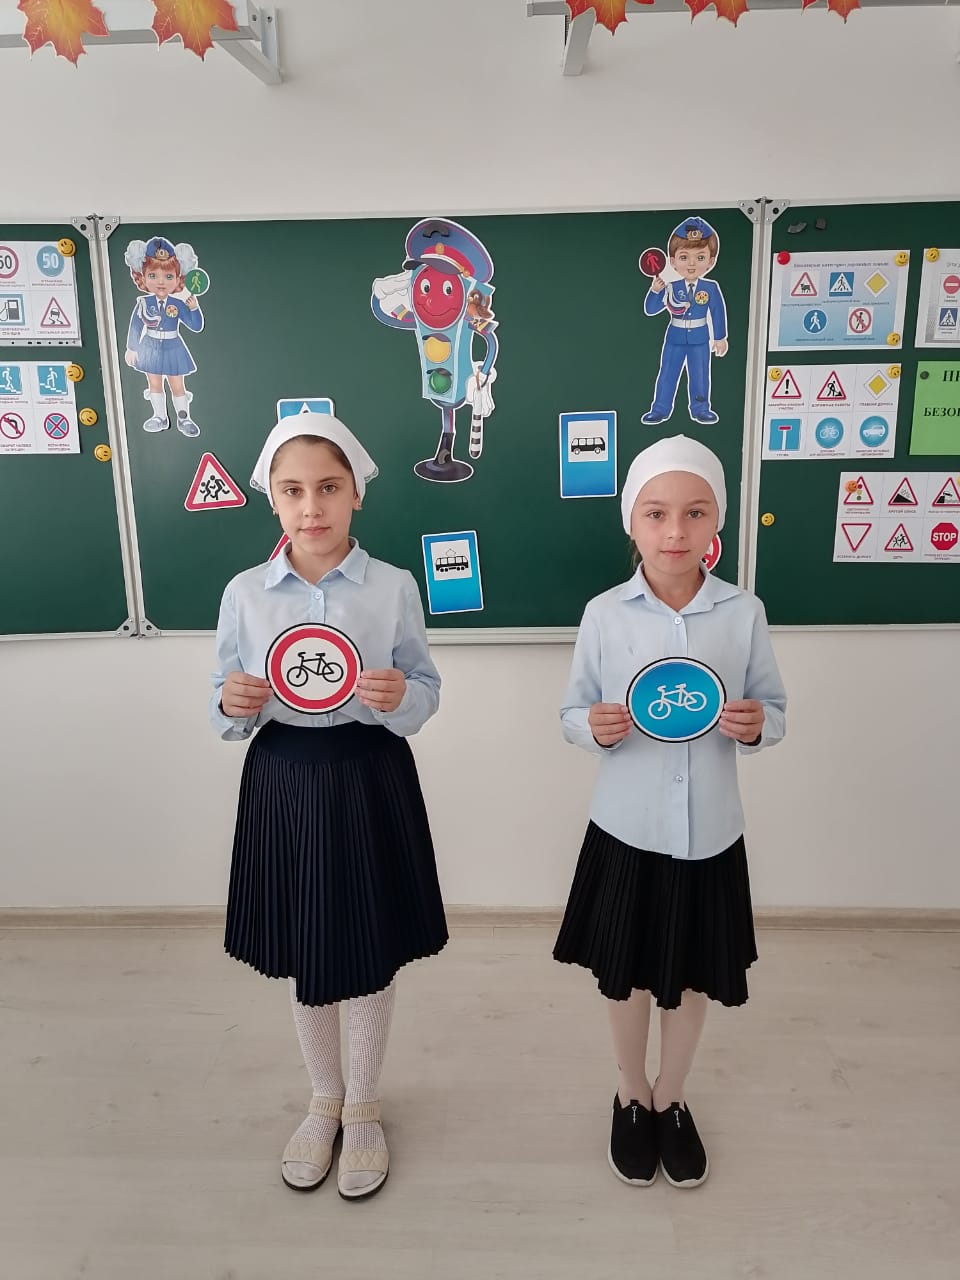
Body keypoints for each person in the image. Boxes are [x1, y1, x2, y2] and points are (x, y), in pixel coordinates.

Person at [210, 412, 447, 1200]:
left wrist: (400, 695)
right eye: (293, 491)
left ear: (356, 495)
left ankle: (366, 1105)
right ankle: (324, 1100)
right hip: (284, 778)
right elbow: (222, 704)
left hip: (369, 772)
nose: (311, 507)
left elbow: (425, 690)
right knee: (305, 943)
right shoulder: (245, 594)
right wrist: (232, 702)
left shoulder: (393, 587)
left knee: (369, 942)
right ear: (271, 499)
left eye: (328, 488)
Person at [554, 434, 786, 1189]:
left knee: (688, 976)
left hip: (711, 832)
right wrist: (592, 727)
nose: (675, 532)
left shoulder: (742, 612)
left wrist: (756, 725)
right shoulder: (604, 614)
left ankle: (672, 1096)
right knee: (624, 974)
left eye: (695, 512)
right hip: (626, 828)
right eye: (656, 514)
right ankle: (630, 1094)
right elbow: (572, 711)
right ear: (632, 520)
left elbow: (774, 709)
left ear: (718, 519)